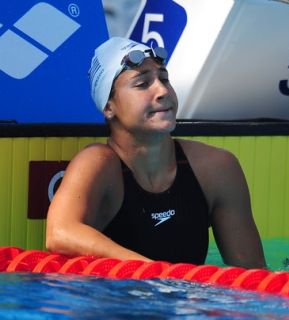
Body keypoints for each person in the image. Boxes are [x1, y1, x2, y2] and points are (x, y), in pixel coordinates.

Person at [45, 37, 266, 269]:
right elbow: (59, 233)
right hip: (113, 303)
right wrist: (151, 270)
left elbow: (253, 273)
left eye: (164, 78)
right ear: (109, 107)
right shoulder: (99, 164)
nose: (162, 90)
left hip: (186, 302)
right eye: (142, 84)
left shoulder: (216, 168)